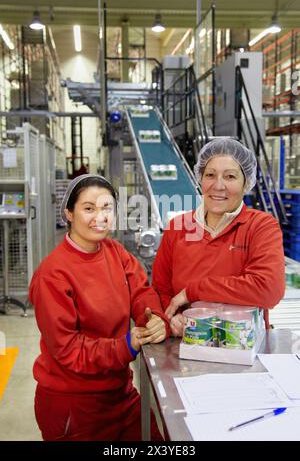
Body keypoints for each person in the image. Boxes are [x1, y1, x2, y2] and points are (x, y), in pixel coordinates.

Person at [29, 174, 169, 441]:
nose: (100, 217)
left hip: (119, 392)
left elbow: (141, 291)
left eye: (107, 208)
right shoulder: (53, 275)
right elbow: (67, 350)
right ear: (69, 213)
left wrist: (152, 318)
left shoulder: (114, 252)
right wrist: (124, 346)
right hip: (74, 405)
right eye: (89, 208)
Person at [152, 138, 285, 336]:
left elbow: (268, 289)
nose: (218, 185)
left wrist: (193, 292)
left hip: (243, 347)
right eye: (210, 175)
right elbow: (160, 290)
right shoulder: (178, 227)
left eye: (230, 177)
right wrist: (172, 317)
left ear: (246, 182)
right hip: (190, 344)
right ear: (200, 178)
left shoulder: (260, 226)